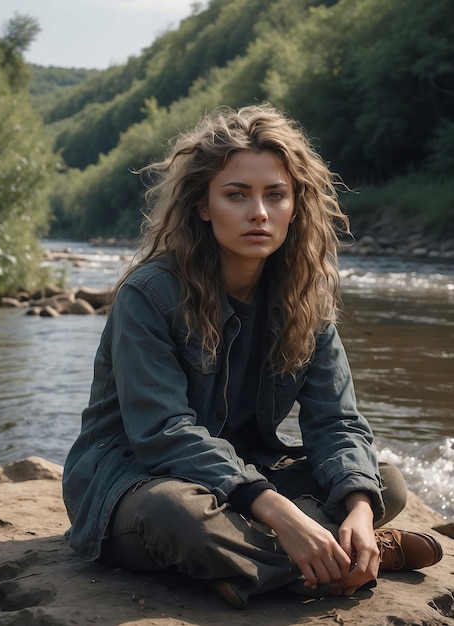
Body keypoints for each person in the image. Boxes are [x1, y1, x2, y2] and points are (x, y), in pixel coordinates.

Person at [62, 104, 442, 609]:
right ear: (203, 205)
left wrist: (355, 508)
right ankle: (348, 559)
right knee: (175, 515)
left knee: (381, 484)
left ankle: (251, 568)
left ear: (294, 205)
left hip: (245, 472)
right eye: (237, 195)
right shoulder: (150, 295)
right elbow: (162, 433)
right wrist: (281, 514)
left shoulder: (305, 300)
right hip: (132, 478)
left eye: (275, 195)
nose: (258, 212)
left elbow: (338, 423)